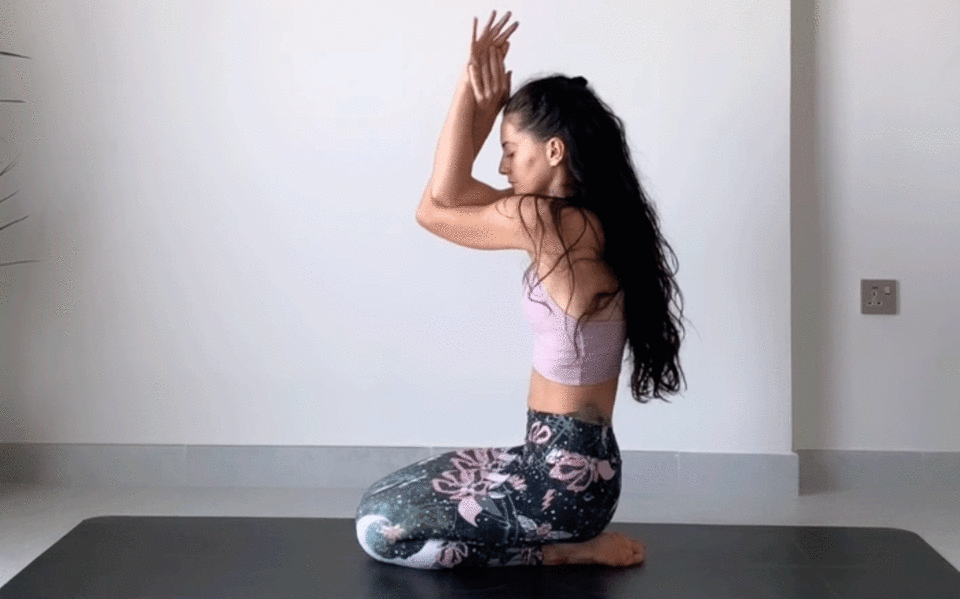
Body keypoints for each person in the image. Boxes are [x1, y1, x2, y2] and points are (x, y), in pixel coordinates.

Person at [355, 10, 686, 569]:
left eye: (511, 149)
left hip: (559, 487)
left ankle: (559, 552)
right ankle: (562, 536)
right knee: (390, 491)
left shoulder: (542, 220)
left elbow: (434, 206)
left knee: (379, 529)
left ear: (554, 151)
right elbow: (455, 193)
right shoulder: (590, 220)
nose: (503, 165)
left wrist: (470, 94)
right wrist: (485, 110)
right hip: (573, 468)